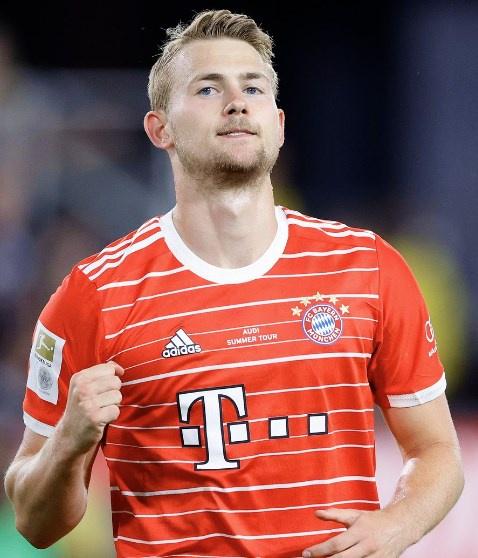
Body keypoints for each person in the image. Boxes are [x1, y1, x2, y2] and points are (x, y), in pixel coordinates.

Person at [4, 9, 464, 558]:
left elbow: (437, 452)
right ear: (160, 129)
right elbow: (34, 523)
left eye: (253, 88)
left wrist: (398, 525)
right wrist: (68, 442)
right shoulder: (94, 295)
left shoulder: (367, 267)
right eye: (207, 88)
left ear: (280, 123)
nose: (237, 102)